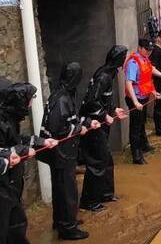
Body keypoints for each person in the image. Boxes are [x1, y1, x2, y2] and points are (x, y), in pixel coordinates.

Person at [39, 63, 100, 239]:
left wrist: (87, 122)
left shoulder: (63, 94)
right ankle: (68, 228)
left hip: (63, 152)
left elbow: (72, 118)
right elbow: (59, 128)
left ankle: (63, 220)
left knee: (61, 188)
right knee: (67, 190)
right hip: (61, 152)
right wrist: (79, 129)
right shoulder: (61, 99)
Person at [0, 78, 57, 243]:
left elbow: (16, 141)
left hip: (11, 184)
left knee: (16, 223)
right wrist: (23, 151)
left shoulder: (9, 119)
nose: (30, 105)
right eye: (28, 101)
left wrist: (42, 142)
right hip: (3, 185)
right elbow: (8, 149)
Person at [78, 45, 128, 212]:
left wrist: (113, 110)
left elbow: (105, 98)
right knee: (97, 162)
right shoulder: (103, 76)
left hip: (101, 123)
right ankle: (89, 201)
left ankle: (106, 193)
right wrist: (103, 115)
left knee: (106, 159)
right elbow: (92, 101)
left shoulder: (110, 73)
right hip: (92, 125)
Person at [124, 39, 161, 165]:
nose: (149, 52)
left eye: (150, 50)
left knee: (142, 123)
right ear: (140, 48)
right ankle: (136, 155)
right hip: (135, 99)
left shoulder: (145, 59)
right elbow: (129, 83)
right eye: (147, 49)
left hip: (143, 97)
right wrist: (135, 102)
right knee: (135, 126)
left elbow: (149, 74)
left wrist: (154, 91)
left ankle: (144, 145)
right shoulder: (134, 62)